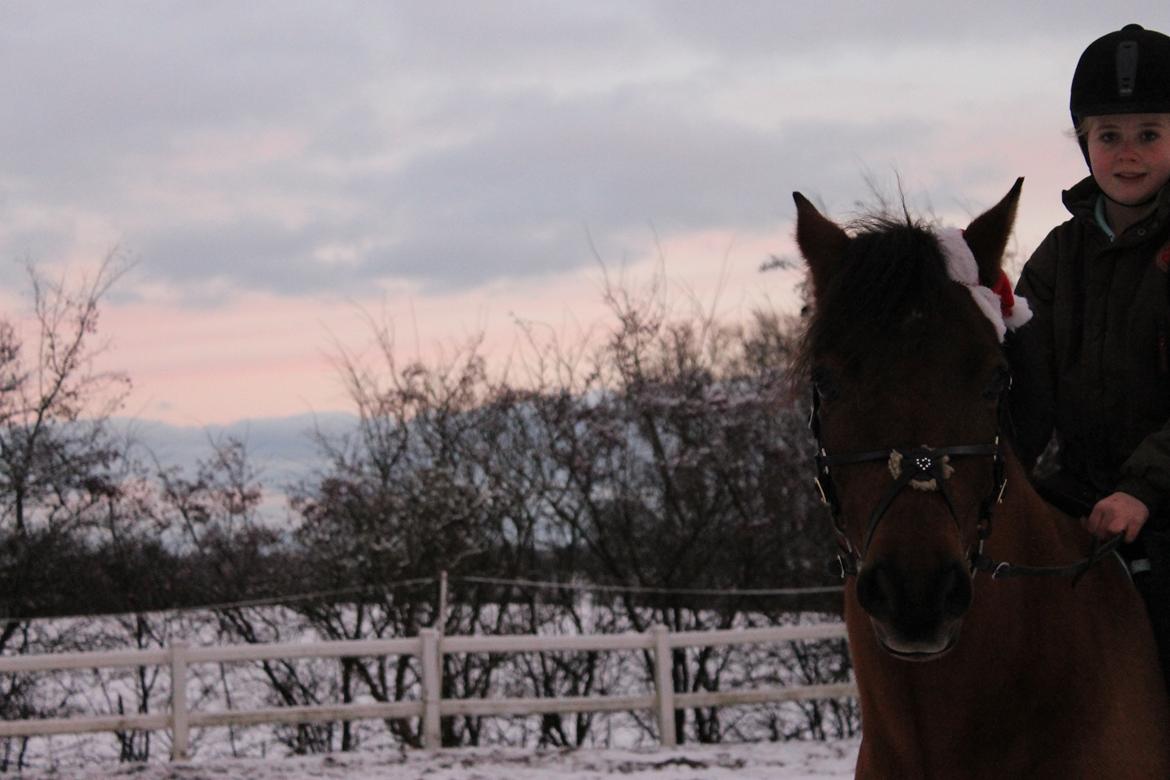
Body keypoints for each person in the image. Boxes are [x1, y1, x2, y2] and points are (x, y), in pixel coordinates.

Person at [1007, 23, 1170, 699]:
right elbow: (1026, 385)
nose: (1126, 155)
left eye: (1148, 134)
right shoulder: (1057, 254)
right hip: (1080, 486)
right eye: (1109, 136)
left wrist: (1143, 490)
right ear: (1084, 143)